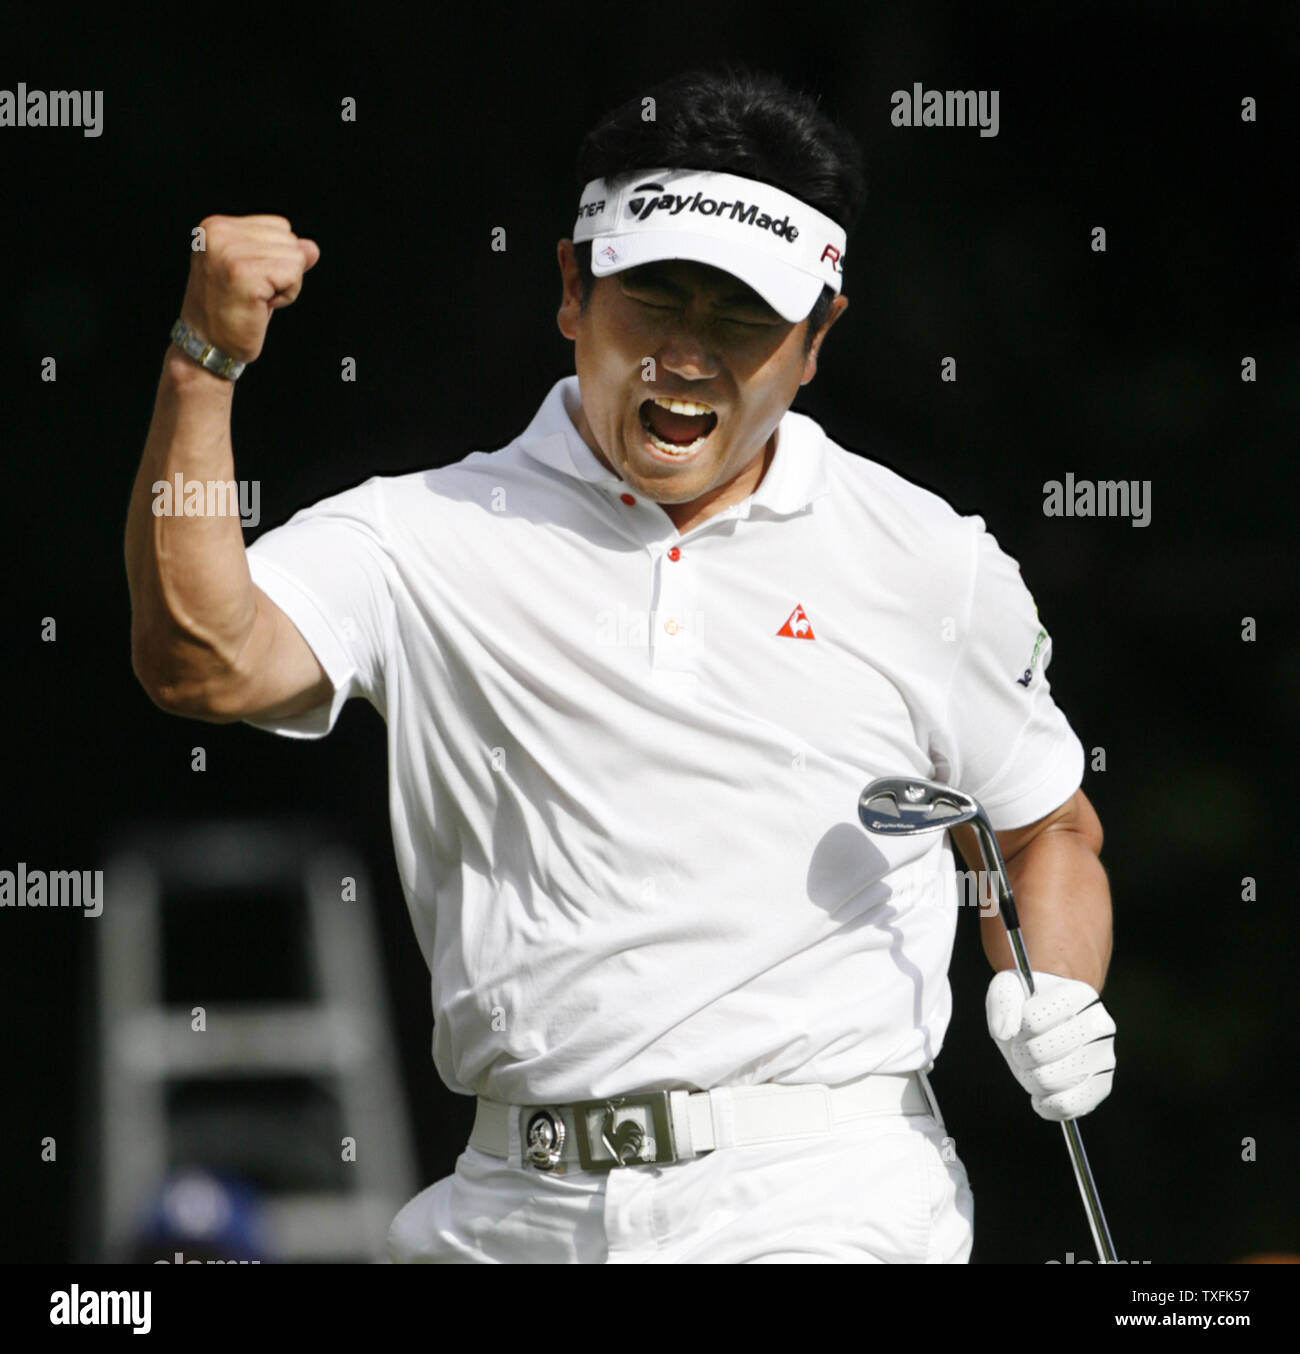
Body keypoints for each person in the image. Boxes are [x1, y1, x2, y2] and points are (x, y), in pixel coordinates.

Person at [126, 67, 1116, 1264]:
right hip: (506, 1204)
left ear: (817, 341)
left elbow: (1043, 829)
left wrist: (1055, 989)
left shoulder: (924, 559)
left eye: (743, 314)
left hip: (822, 1194)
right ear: (571, 291)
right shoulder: (424, 531)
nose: (687, 355)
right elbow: (202, 663)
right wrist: (201, 366)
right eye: (653, 297)